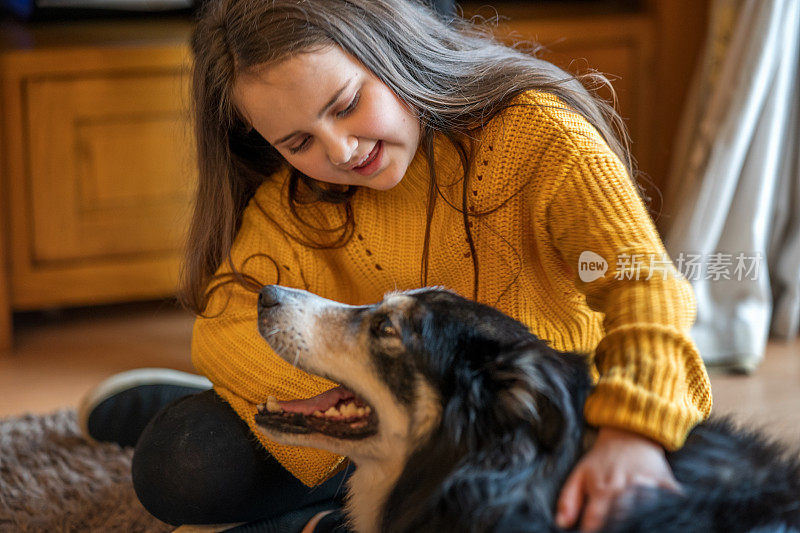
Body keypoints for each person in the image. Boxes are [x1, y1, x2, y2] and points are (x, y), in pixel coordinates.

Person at [78, 0, 712, 531]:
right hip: (380, 417)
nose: (339, 149)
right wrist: (343, 398)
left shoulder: (539, 135)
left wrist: (635, 431)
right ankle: (246, 420)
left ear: (394, 48)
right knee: (178, 466)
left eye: (347, 103)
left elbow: (643, 282)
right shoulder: (294, 201)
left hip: (522, 429)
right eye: (297, 142)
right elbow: (223, 324)